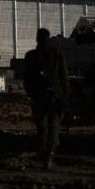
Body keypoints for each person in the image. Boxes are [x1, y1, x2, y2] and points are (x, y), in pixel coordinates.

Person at [24, 28, 69, 169]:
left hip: (39, 97)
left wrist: (31, 95)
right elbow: (64, 77)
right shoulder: (56, 55)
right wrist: (64, 96)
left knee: (42, 128)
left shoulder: (31, 56)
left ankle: (44, 157)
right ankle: (49, 156)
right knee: (53, 128)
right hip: (54, 97)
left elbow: (27, 79)